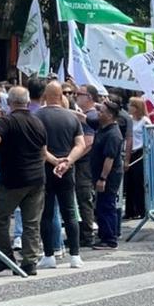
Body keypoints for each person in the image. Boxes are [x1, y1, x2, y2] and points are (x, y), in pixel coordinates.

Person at [0, 86, 54, 275]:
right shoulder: (38, 122)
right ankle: (30, 262)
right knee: (32, 222)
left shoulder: (7, 121)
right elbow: (42, 152)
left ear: (10, 102)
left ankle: (4, 257)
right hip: (37, 178)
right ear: (28, 102)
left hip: (12, 179)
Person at [34, 82, 86, 268]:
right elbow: (80, 145)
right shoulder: (71, 118)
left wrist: (54, 160)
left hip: (45, 169)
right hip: (67, 170)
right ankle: (75, 254)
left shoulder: (37, 116)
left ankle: (49, 255)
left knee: (46, 214)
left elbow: (38, 147)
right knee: (70, 212)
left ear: (45, 96)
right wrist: (67, 162)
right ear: (61, 96)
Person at [89, 100, 125, 249]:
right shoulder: (102, 126)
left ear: (110, 116)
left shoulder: (113, 134)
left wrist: (103, 178)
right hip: (99, 174)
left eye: (102, 111)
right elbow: (82, 117)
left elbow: (109, 159)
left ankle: (110, 239)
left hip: (109, 176)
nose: (99, 113)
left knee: (107, 206)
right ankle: (105, 235)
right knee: (102, 205)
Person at [72, 85, 99, 246]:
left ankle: (87, 234)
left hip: (84, 163)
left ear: (89, 97)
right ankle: (83, 233)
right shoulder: (85, 115)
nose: (76, 96)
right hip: (83, 162)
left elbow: (88, 143)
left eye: (79, 94)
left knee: (84, 197)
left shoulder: (91, 115)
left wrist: (72, 158)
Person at [124, 97, 148, 220]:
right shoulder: (129, 120)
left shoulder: (145, 121)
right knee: (129, 183)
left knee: (138, 182)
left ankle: (141, 209)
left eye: (131, 105)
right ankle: (130, 211)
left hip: (140, 153)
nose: (129, 107)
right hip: (129, 152)